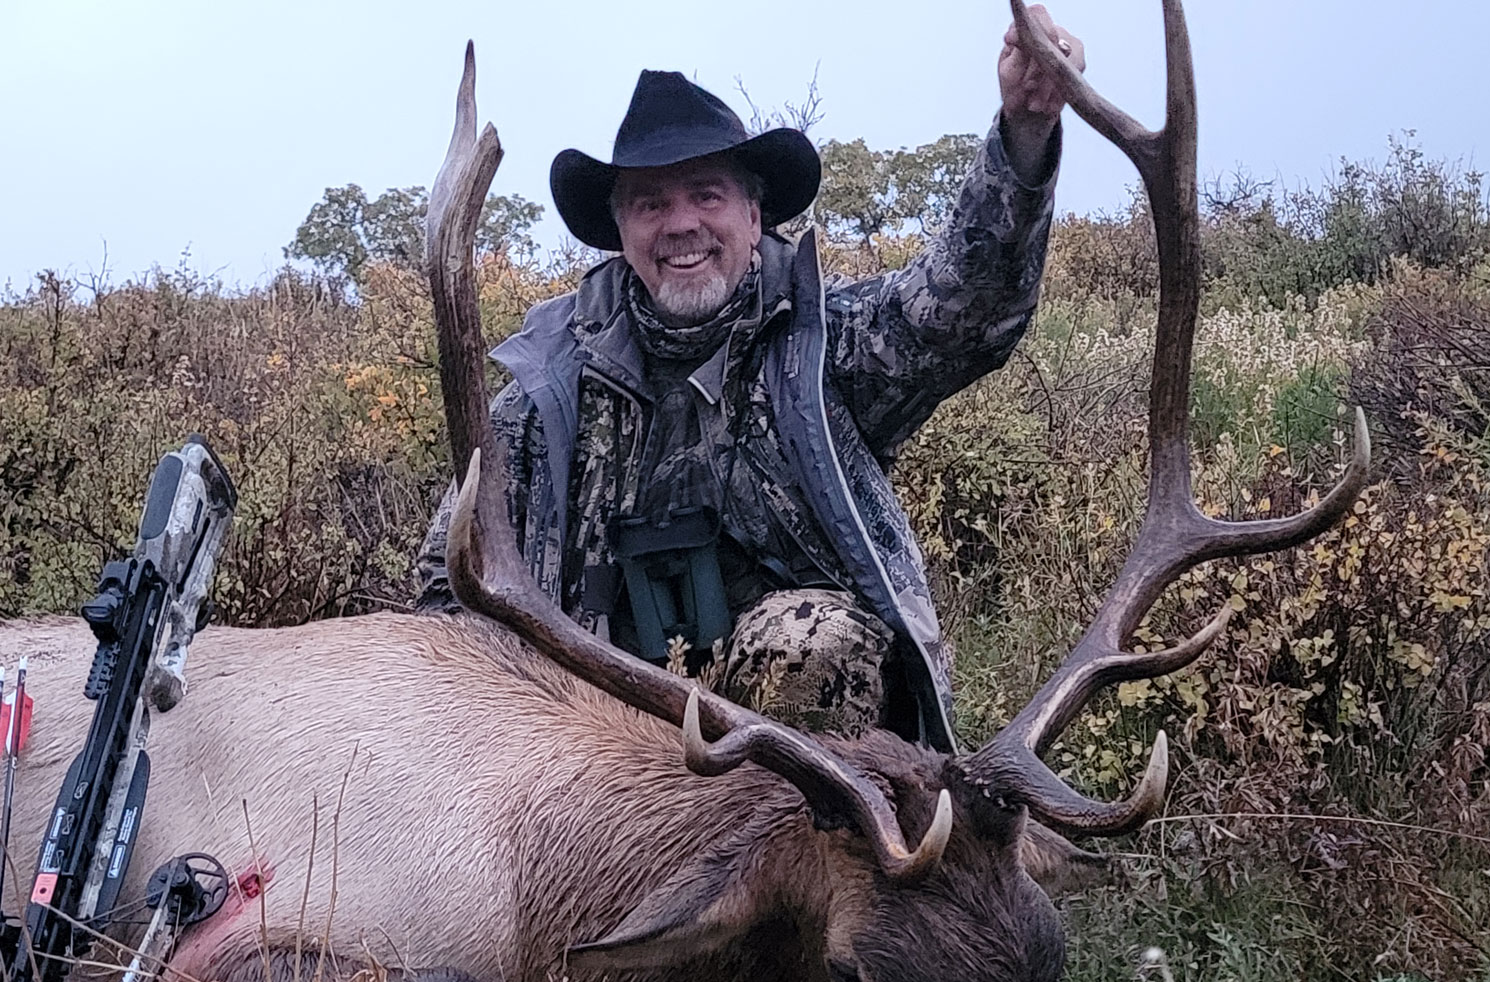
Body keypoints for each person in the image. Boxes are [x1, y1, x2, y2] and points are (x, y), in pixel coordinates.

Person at [417, 6, 1087, 750]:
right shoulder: (543, 396)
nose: (681, 224)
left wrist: (1024, 134)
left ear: (752, 212)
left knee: (815, 642)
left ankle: (828, 858)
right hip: (596, 742)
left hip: (793, 749)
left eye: (706, 193)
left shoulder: (825, 343)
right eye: (651, 202)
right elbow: (448, 588)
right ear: (621, 229)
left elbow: (965, 308)